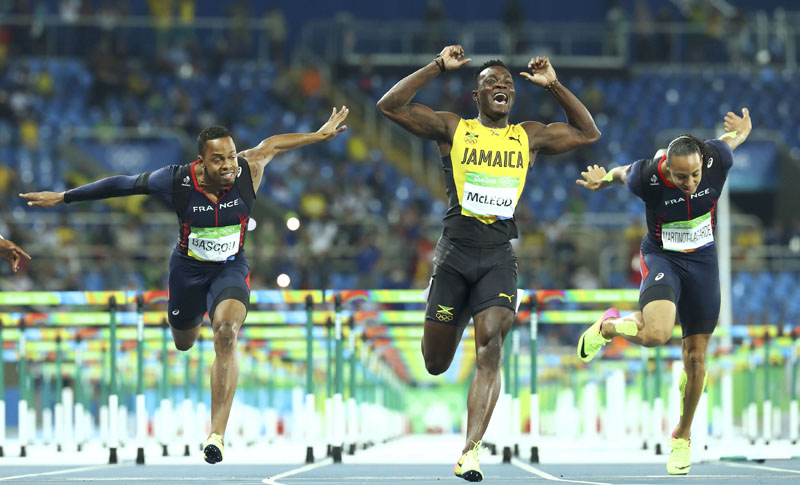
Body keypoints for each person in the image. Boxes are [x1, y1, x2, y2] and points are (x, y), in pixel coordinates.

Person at [20, 106, 349, 464]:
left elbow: (273, 144)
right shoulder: (175, 179)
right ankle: (185, 321)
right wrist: (65, 196)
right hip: (187, 273)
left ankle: (217, 435)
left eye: (230, 156)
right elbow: (122, 184)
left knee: (226, 332)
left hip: (230, 269)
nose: (228, 165)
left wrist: (318, 135)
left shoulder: (248, 169)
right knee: (184, 342)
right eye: (219, 160)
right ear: (202, 162)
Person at [377, 45, 600, 482]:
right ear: (475, 97)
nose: (501, 87)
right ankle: (460, 315)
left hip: (498, 256)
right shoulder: (451, 129)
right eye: (491, 84)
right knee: (435, 362)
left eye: (508, 85)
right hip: (455, 253)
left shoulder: (527, 136)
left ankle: (470, 451)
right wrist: (438, 66)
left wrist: (553, 84)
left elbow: (587, 133)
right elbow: (390, 106)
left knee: (492, 345)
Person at [575, 108, 751, 475]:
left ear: (704, 163)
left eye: (695, 175)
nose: (690, 183)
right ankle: (609, 328)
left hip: (703, 263)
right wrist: (601, 179)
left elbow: (733, 140)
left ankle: (682, 436)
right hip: (662, 258)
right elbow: (621, 172)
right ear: (667, 169)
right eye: (681, 176)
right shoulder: (647, 177)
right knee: (657, 335)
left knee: (696, 358)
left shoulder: (718, 159)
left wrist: (742, 130)